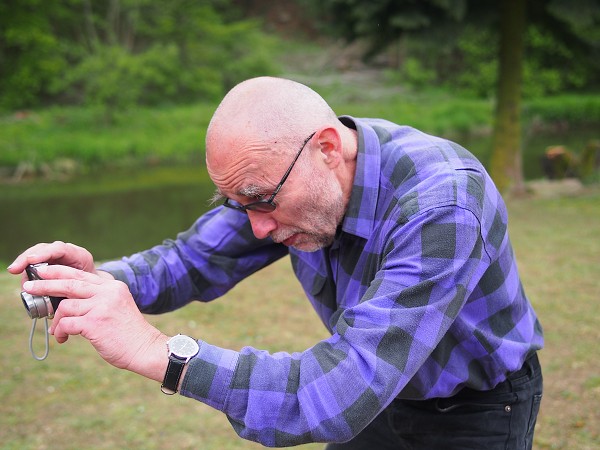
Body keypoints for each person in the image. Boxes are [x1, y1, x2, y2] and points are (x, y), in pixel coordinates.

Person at [8, 76, 544, 449]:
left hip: (474, 407)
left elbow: (338, 392)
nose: (258, 228)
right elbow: (190, 260)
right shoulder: (280, 173)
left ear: (329, 148)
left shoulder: (441, 204)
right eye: (239, 205)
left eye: (262, 200)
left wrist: (157, 352)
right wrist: (92, 282)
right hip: (379, 403)